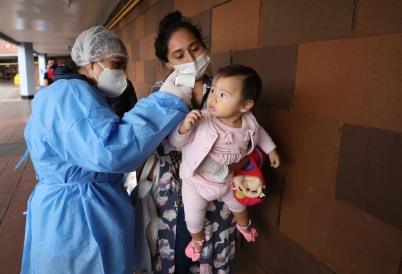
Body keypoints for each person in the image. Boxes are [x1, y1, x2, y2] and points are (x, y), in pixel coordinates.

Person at [19, 26, 193, 274]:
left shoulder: (69, 93)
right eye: (116, 63)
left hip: (74, 204)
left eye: (124, 66)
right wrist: (165, 101)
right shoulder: (72, 94)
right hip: (78, 213)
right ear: (91, 62)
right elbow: (109, 151)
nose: (121, 72)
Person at [135, 11, 250, 274]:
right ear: (168, 63)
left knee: (214, 259)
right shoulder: (162, 96)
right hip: (173, 197)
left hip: (220, 192)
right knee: (175, 260)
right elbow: (158, 147)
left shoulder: (228, 90)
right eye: (179, 55)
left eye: (195, 48)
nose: (191, 59)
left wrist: (237, 164)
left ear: (204, 47)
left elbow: (247, 137)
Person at [168, 64, 280, 261]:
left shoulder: (249, 123)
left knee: (240, 207)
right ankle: (197, 240)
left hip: (229, 180)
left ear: (245, 106)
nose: (213, 98)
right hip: (197, 181)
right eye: (213, 90)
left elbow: (261, 135)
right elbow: (177, 143)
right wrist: (185, 127)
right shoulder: (202, 119)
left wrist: (271, 150)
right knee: (193, 219)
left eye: (223, 95)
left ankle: (244, 227)